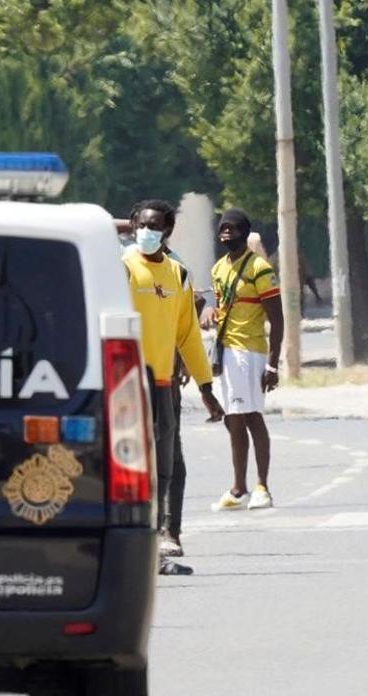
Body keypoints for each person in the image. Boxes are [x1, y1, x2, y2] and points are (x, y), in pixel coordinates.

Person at [124, 200, 226, 575]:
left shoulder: (179, 275)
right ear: (134, 225)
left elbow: (188, 338)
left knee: (165, 465)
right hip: (126, 384)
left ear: (167, 233)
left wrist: (206, 387)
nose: (148, 232)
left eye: (156, 227)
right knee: (131, 467)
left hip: (164, 383)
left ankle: (159, 544)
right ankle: (136, 547)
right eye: (143, 225)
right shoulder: (121, 269)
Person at [208, 209, 285, 511]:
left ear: (244, 232)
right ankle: (238, 488)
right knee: (233, 417)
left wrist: (272, 363)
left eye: (233, 228)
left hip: (250, 351)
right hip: (226, 351)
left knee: (251, 417)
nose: (227, 233)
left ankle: (261, 486)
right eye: (223, 228)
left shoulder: (260, 269)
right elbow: (223, 309)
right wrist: (211, 315)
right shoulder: (217, 269)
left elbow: (277, 320)